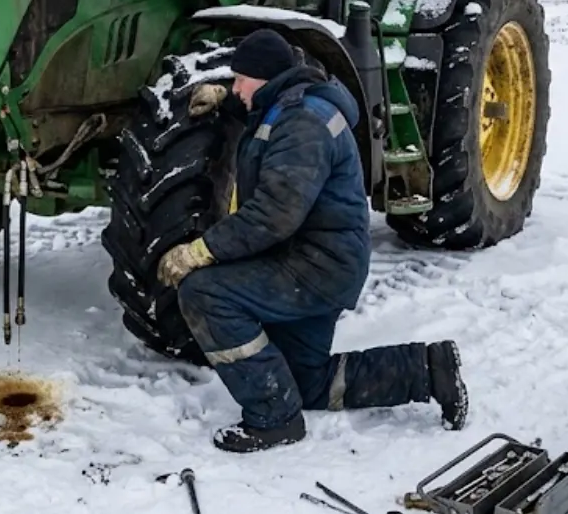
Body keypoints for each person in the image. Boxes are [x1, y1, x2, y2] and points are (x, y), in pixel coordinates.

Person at [157, 28, 468, 453]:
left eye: (239, 80)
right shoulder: (292, 105)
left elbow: (273, 214)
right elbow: (263, 116)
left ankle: (273, 419)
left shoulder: (304, 123)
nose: (236, 87)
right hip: (319, 262)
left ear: (263, 77)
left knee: (204, 292)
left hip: (315, 268)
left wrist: (201, 251)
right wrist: (225, 99)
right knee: (309, 383)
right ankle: (428, 369)